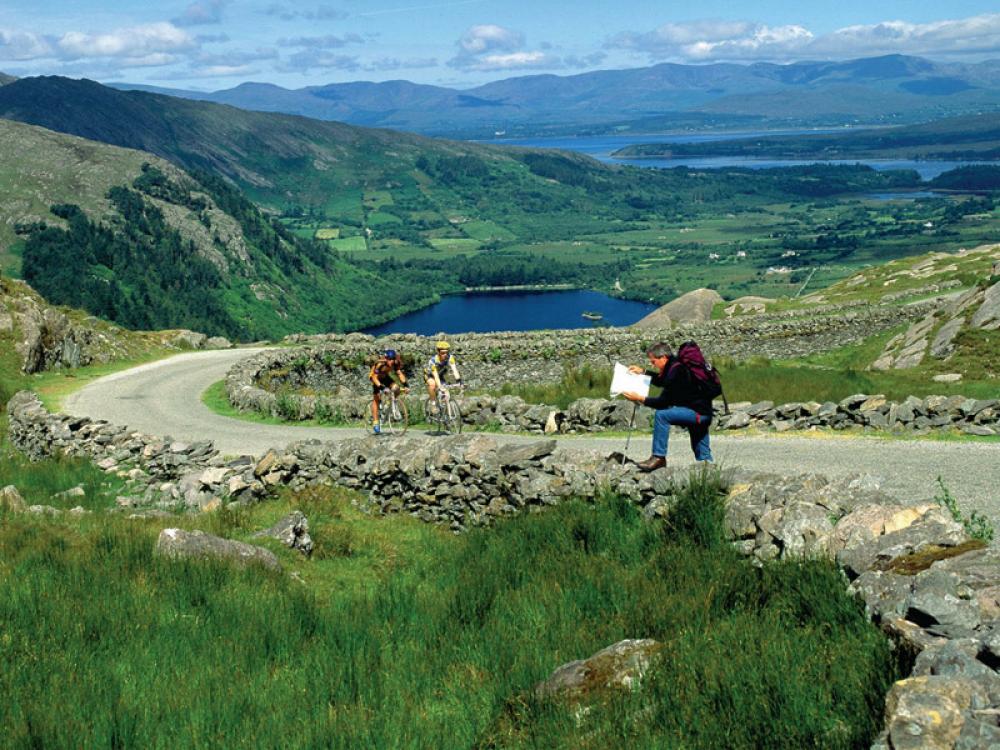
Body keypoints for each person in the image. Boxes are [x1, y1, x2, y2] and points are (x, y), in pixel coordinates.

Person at [621, 341, 713, 471]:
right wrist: (643, 372)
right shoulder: (676, 365)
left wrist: (639, 398)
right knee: (702, 454)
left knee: (661, 415)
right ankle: (709, 474)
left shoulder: (676, 372)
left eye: (653, 362)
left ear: (663, 358)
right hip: (704, 413)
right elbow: (662, 381)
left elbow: (662, 403)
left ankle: (658, 458)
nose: (652, 364)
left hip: (696, 413)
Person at [369, 348, 407, 434]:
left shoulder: (395, 363)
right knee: (377, 398)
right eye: (389, 360)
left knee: (396, 388)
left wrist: (406, 385)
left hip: (385, 377)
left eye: (393, 359)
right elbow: (374, 377)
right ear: (386, 359)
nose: (391, 361)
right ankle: (375, 422)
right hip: (376, 378)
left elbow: (399, 374)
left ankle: (389, 403)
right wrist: (382, 388)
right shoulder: (380, 364)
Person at [425, 340, 462, 410]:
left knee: (446, 394)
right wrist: (440, 386)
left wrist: (459, 381)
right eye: (442, 353)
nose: (445, 355)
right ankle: (433, 404)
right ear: (438, 352)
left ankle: (445, 412)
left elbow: (454, 369)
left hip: (440, 375)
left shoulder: (450, 357)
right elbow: (435, 376)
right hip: (430, 375)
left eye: (446, 352)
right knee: (432, 384)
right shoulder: (432, 361)